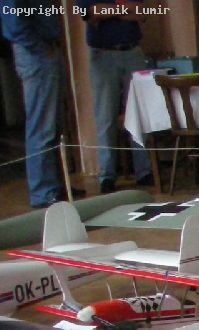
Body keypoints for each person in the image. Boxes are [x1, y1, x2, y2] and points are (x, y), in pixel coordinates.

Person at [83, 2, 153, 192]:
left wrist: (109, 12)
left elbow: (142, 12)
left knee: (138, 112)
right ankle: (107, 175)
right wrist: (125, 9)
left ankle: (144, 171)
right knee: (105, 116)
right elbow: (92, 13)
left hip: (133, 52)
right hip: (103, 54)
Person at [1, 10, 65, 208]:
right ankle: (43, 191)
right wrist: (39, 47)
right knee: (41, 126)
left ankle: (55, 186)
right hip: (36, 53)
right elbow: (13, 21)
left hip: (45, 49)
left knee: (52, 125)